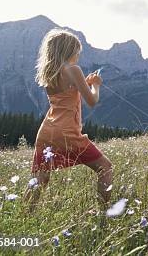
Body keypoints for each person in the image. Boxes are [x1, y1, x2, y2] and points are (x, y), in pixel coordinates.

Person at [24, 28, 113, 209]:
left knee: (40, 178)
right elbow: (92, 100)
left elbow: (68, 93)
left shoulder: (50, 73)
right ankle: (103, 212)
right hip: (66, 132)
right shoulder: (73, 69)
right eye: (77, 52)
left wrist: (84, 84)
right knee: (105, 167)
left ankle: (24, 215)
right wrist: (95, 85)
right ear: (69, 51)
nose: (78, 57)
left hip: (47, 130)